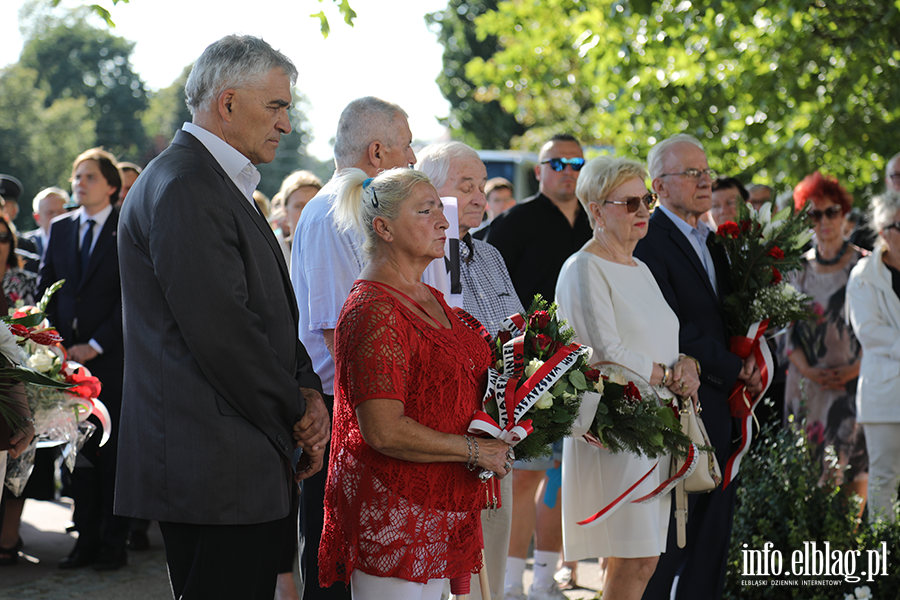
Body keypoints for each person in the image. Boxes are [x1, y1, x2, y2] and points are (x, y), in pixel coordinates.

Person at [114, 35, 330, 600]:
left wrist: (307, 390)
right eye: (276, 106)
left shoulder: (209, 180)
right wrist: (300, 409)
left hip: (228, 460)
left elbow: (274, 314)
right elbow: (225, 334)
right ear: (228, 102)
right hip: (213, 466)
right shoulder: (186, 184)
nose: (286, 123)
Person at [318, 166, 511, 600]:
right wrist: (476, 449)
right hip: (395, 511)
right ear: (383, 227)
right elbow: (383, 430)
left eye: (440, 210)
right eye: (427, 211)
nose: (445, 221)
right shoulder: (374, 309)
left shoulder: (429, 295)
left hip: (441, 503)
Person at [556, 156, 700, 600]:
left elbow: (660, 338)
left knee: (644, 562)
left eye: (648, 199)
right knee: (631, 560)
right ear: (597, 210)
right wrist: (667, 373)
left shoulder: (642, 268)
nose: (644, 211)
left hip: (656, 425)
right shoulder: (584, 267)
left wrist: (687, 363)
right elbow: (603, 352)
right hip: (618, 428)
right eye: (631, 201)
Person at [291, 96, 415, 600]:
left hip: (367, 409)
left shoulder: (356, 207)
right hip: (345, 412)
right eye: (407, 146)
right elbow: (338, 330)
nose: (413, 158)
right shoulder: (330, 214)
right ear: (378, 151)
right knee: (337, 570)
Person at [633, 133, 761, 600]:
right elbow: (672, 323)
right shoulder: (650, 238)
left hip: (721, 406)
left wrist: (749, 355)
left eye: (706, 171)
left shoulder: (710, 237)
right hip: (683, 408)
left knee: (712, 542)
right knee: (670, 542)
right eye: (692, 173)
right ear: (660, 186)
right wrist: (733, 365)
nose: (706, 181)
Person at [416, 142, 524, 600]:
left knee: (488, 578)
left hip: (498, 443)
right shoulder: (414, 264)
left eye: (481, 186)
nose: (480, 197)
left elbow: (521, 341)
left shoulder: (492, 257)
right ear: (429, 193)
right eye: (466, 186)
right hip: (439, 449)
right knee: (440, 581)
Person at [486, 134, 591, 600]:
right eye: (558, 162)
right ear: (540, 169)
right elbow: (484, 291)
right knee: (526, 476)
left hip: (588, 368)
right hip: (528, 371)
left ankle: (546, 580)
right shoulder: (514, 221)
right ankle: (513, 585)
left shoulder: (596, 220)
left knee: (566, 478)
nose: (568, 170)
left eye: (577, 162)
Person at [38, 147, 128, 571]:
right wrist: (54, 342)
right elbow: (46, 292)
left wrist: (96, 343)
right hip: (67, 364)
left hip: (110, 360)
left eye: (89, 176)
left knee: (112, 456)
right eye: (76, 175)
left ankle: (114, 542)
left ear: (111, 186)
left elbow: (132, 297)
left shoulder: (126, 227)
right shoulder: (59, 228)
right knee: (79, 455)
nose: (79, 182)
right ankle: (85, 538)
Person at [785, 171, 867, 507]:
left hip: (856, 385)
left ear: (844, 214)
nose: (823, 221)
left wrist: (855, 370)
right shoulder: (795, 270)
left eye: (831, 211)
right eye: (813, 214)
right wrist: (810, 371)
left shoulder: (865, 266)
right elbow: (784, 333)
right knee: (807, 485)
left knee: (854, 481)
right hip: (808, 386)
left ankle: (853, 556)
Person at [847, 190, 900, 523]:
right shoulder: (864, 274)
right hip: (884, 394)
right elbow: (869, 331)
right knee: (884, 477)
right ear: (884, 231)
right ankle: (887, 560)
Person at [0, 218, 40, 567]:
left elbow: (9, 350)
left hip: (7, 404)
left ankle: (7, 539)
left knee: (16, 468)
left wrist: (25, 416)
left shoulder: (17, 283)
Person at [473, 177, 516, 241]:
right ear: (486, 205)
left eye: (506, 200)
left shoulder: (522, 231)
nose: (502, 204)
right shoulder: (476, 236)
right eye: (497, 200)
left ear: (513, 203)